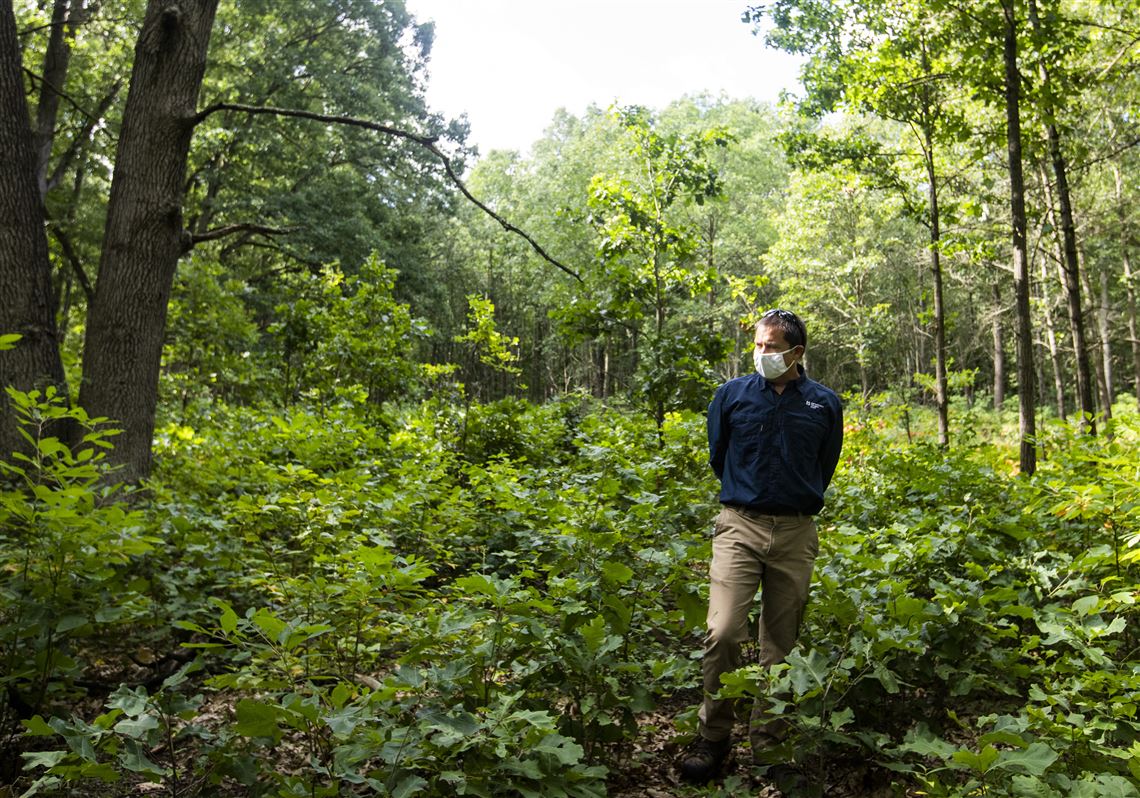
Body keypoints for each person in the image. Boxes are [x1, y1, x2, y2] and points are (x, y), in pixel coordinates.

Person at [679, 308, 843, 783]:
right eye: (757, 345)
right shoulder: (731, 396)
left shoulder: (823, 404)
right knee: (724, 632)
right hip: (740, 526)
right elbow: (719, 454)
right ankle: (713, 740)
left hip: (795, 532)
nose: (761, 354)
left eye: (770, 346)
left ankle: (770, 747)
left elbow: (823, 464)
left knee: (781, 646)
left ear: (796, 352)